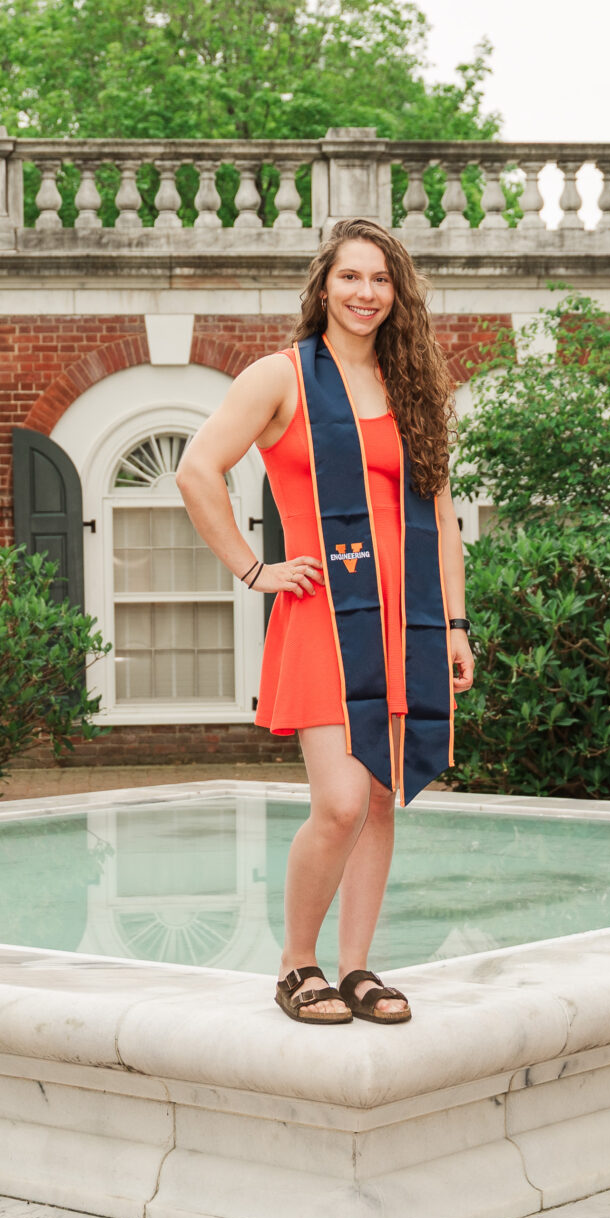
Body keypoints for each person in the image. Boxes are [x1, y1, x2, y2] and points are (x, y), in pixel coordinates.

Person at [176, 218, 474, 1027]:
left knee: (381, 798)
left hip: (402, 623)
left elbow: (442, 517)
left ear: (396, 292)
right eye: (351, 277)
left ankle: (356, 969)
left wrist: (454, 623)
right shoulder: (281, 379)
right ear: (323, 285)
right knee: (340, 801)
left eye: (380, 279)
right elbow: (196, 468)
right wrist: (254, 567)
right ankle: (295, 963)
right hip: (323, 620)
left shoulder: (414, 388)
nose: (366, 293)